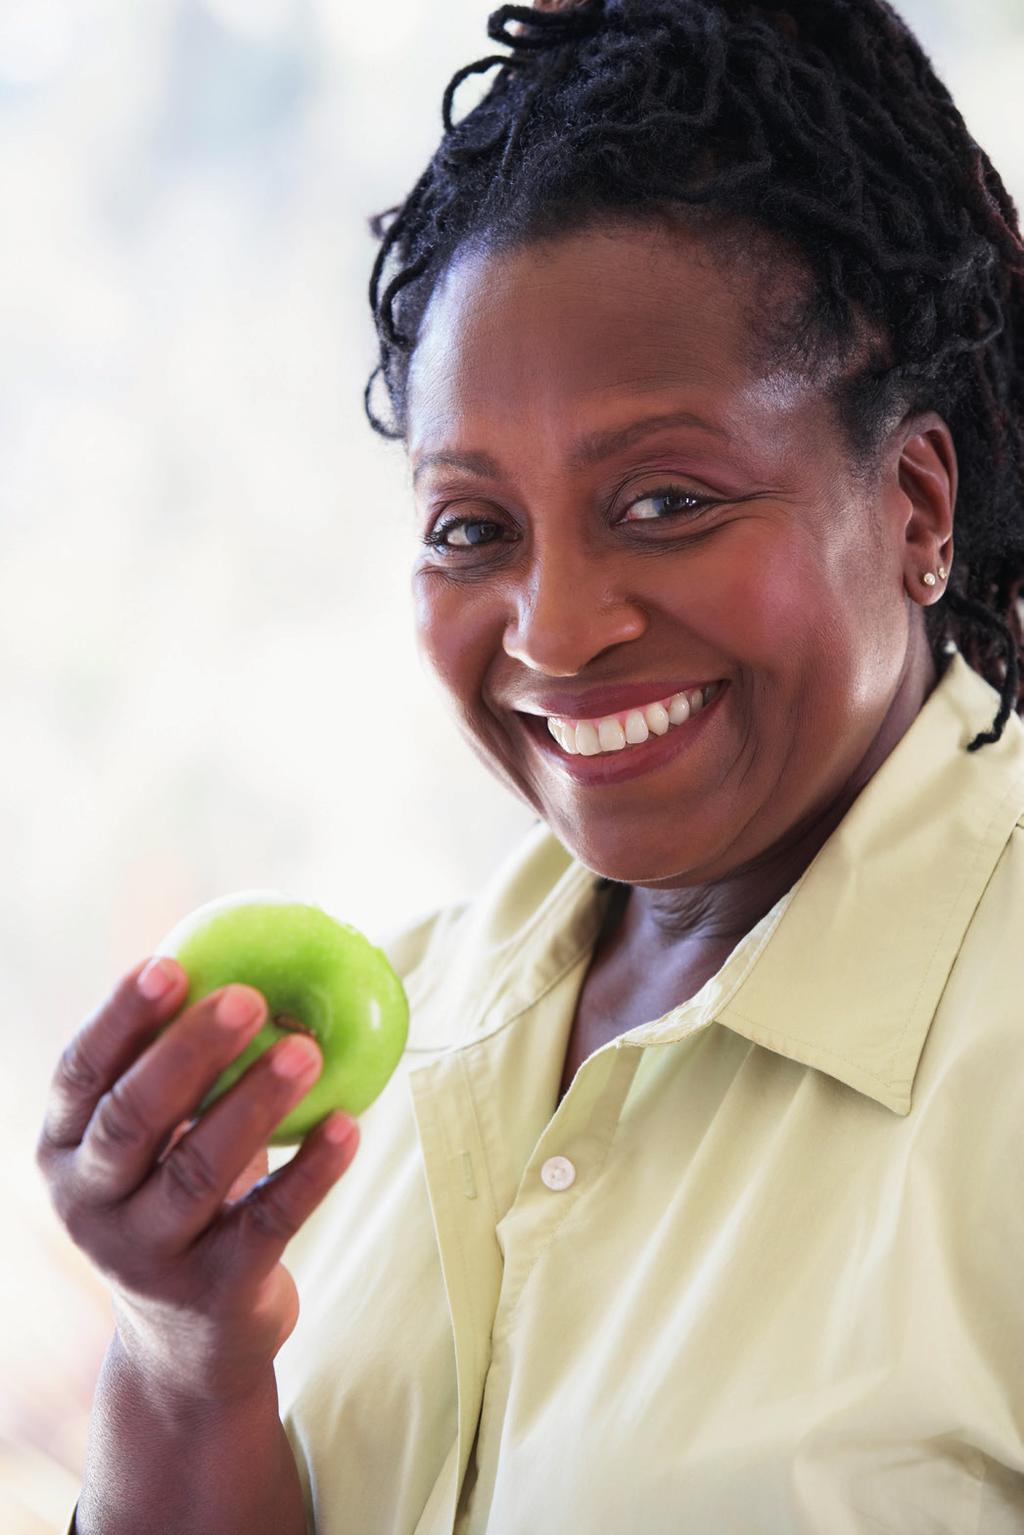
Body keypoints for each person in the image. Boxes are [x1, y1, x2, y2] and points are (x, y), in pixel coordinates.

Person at [37, 0, 1024, 1531]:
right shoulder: (403, 1035)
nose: (556, 632)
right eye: (471, 529)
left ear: (913, 502)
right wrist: (186, 1356)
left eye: (667, 501)